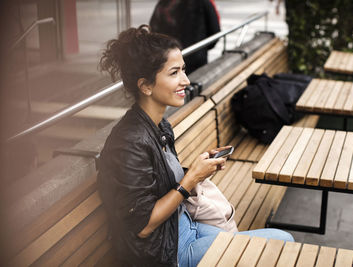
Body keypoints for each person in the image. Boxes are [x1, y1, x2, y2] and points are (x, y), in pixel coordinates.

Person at [97, 25, 294, 267]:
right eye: (174, 73)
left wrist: (198, 169)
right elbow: (143, 226)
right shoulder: (129, 143)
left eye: (184, 70)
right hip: (168, 253)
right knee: (283, 241)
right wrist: (190, 179)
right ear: (145, 86)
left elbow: (158, 179)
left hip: (185, 228)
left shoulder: (159, 126)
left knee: (273, 247)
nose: (186, 80)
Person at [149, 0, 220, 74]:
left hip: (168, 60)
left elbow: (153, 33)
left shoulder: (164, 3)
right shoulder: (203, 2)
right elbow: (215, 31)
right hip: (195, 60)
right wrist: (201, 50)